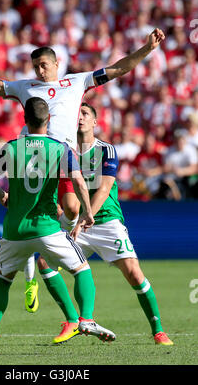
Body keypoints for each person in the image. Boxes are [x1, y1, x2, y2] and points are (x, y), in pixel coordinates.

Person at [0, 27, 165, 314]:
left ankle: (44, 265)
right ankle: (33, 276)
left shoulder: (77, 82)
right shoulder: (23, 86)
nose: (40, 71)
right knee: (34, 218)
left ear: (56, 64)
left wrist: (147, 49)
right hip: (33, 160)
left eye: (44, 65)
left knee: (71, 209)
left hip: (63, 159)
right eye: (36, 66)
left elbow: (118, 68)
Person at [0, 97, 116, 354]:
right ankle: (85, 318)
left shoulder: (9, 148)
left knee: (3, 279)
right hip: (46, 228)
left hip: (15, 230)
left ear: (24, 121)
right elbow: (77, 181)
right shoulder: (60, 147)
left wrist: (3, 196)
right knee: (81, 269)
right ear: (49, 120)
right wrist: (88, 211)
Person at [41, 102, 173, 346]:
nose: (80, 117)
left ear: (95, 122)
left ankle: (158, 330)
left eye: (85, 114)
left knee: (134, 273)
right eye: (77, 114)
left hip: (106, 221)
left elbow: (104, 188)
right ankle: (73, 320)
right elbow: (56, 189)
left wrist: (85, 216)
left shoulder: (106, 150)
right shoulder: (62, 152)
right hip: (76, 224)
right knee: (45, 263)